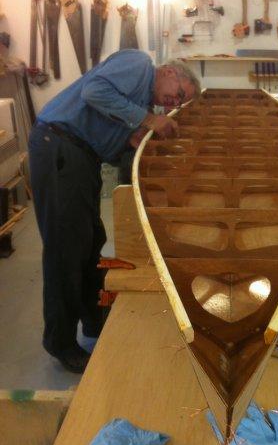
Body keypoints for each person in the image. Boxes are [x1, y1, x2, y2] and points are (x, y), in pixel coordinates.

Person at [28, 49, 201, 373]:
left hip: (82, 159)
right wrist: (148, 120)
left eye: (178, 104)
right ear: (169, 72)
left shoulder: (140, 105)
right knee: (65, 250)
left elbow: (110, 135)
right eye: (178, 96)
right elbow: (94, 92)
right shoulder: (139, 65)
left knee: (91, 242)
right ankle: (60, 342)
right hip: (59, 146)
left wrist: (133, 138)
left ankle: (94, 322)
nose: (171, 105)